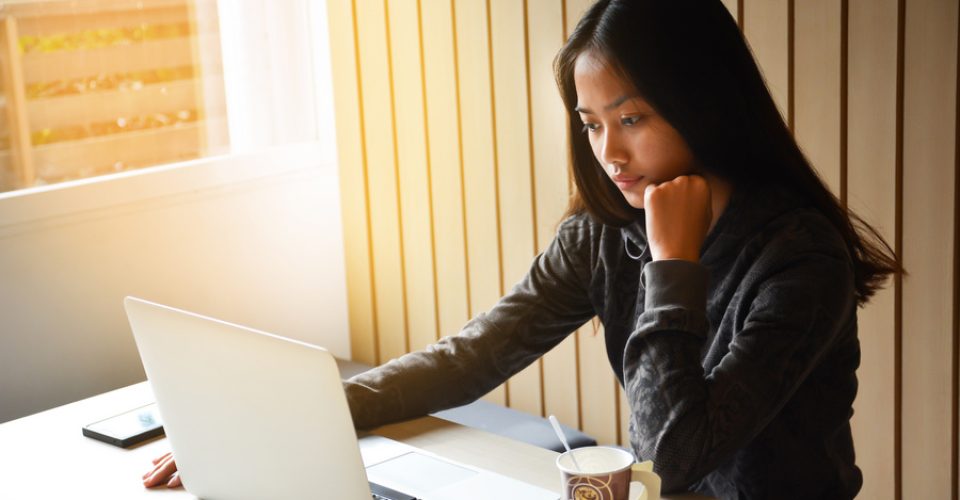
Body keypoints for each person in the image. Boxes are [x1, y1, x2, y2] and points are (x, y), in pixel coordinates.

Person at [143, 0, 898, 498]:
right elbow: (476, 353)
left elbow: (675, 450)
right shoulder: (606, 230)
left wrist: (674, 268)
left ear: (703, 102)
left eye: (631, 117)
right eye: (592, 123)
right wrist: (303, 411)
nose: (609, 151)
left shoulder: (802, 259)